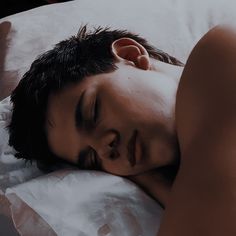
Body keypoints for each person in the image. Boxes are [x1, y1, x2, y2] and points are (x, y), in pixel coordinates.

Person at [8, 24, 236, 235]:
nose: (104, 149)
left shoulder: (220, 51)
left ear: (131, 55)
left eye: (93, 112)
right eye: (92, 159)